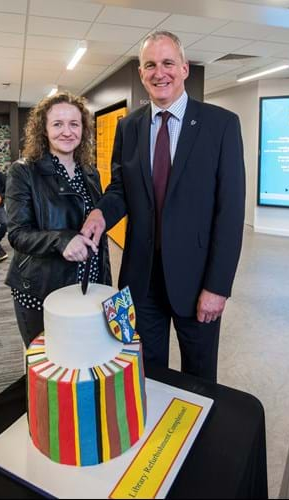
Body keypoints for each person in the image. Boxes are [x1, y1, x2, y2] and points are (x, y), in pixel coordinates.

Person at [82, 31, 246, 383]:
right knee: (147, 372)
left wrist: (217, 287)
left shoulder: (221, 126)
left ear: (185, 69)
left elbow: (230, 213)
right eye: (150, 65)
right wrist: (100, 212)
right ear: (141, 74)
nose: (160, 72)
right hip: (142, 279)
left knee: (199, 377)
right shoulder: (129, 127)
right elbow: (120, 190)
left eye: (168, 63)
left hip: (197, 279)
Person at [4, 91, 111, 348]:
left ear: (83, 129)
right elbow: (18, 234)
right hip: (41, 285)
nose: (67, 131)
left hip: (90, 282)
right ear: (43, 129)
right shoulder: (23, 171)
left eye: (74, 124)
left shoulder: (90, 171)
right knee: (49, 365)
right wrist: (62, 240)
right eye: (57, 124)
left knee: (85, 355)